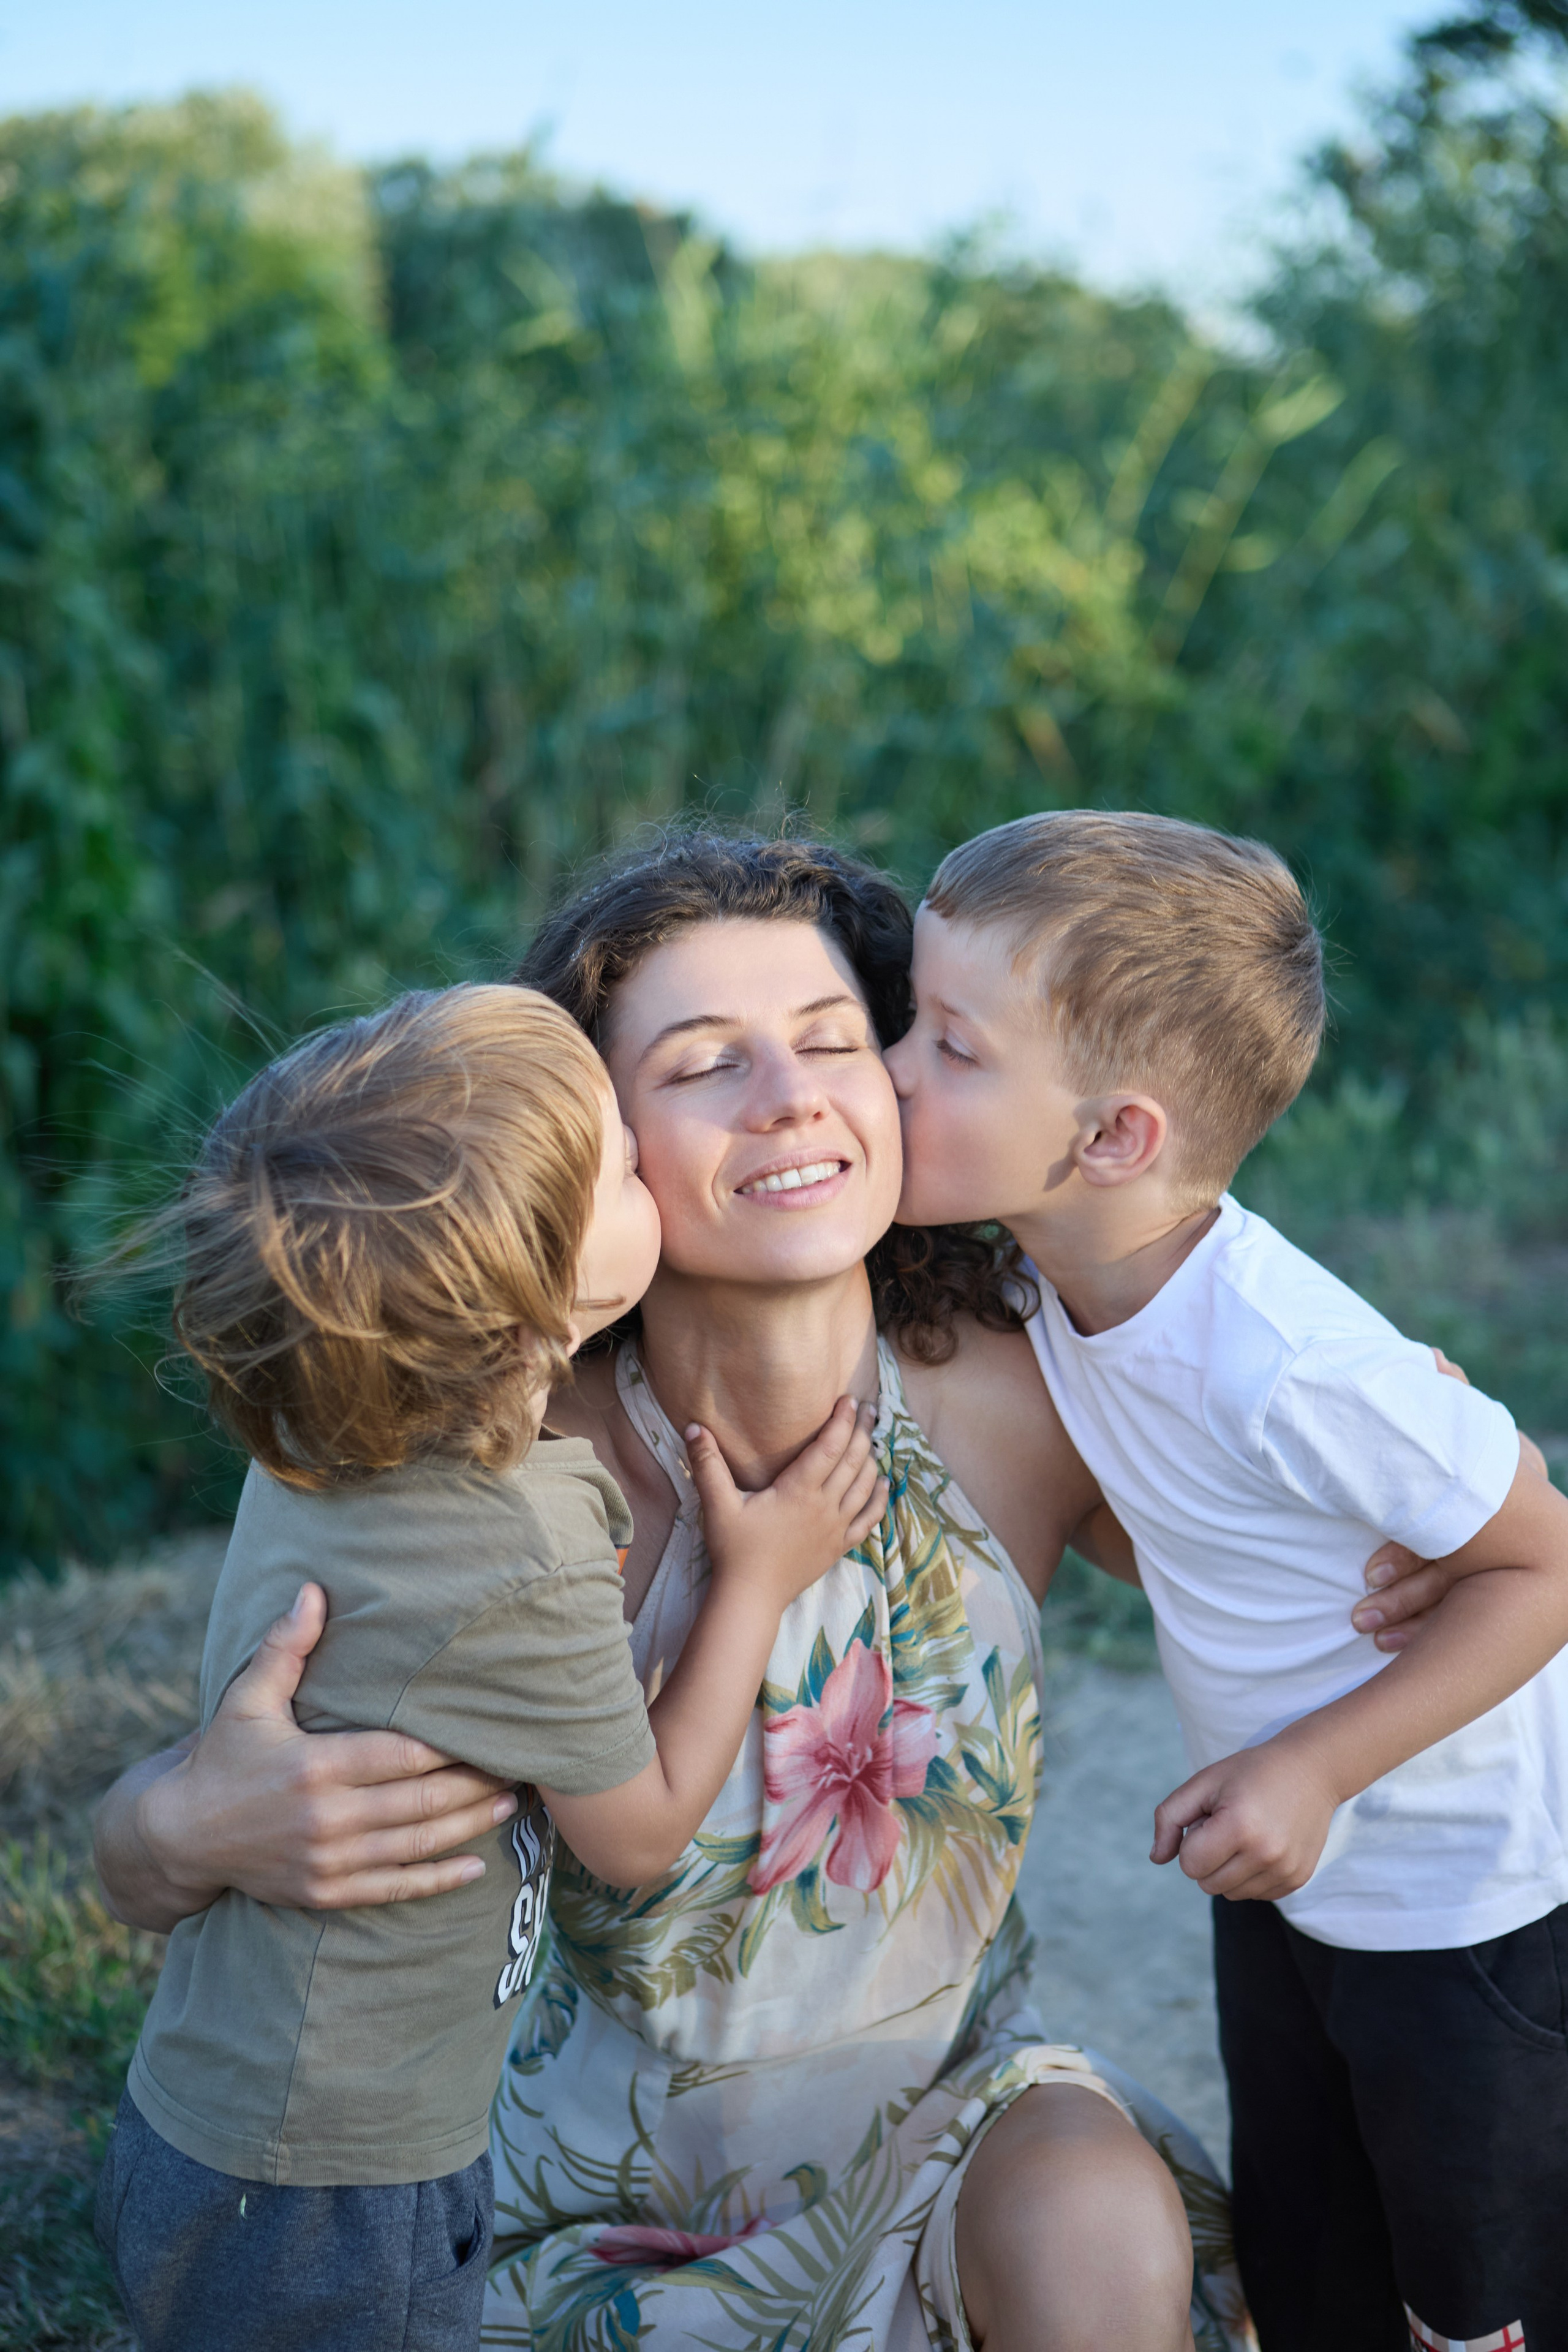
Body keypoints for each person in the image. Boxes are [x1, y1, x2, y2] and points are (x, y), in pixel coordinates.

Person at [93, 833, 1441, 2352]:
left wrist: (1400, 1440)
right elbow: (147, 1876)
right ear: (580, 1147)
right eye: (699, 1065)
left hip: (933, 2148)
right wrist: (173, 1824)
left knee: (1092, 2218)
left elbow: (1342, 1551)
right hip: (513, 2193)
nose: (788, 1095)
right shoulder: (465, 1453)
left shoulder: (1027, 1404)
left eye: (828, 1041)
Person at [94, 981, 884, 2352]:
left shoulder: (315, 1435)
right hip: (342, 2182)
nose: (649, 1161)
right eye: (626, 1169)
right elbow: (632, 1835)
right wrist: (755, 1580)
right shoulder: (513, 1539)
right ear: (529, 1289)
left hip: (198, 2121)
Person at [888, 808, 1568, 2352]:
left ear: (1113, 1136)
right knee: (1304, 2255)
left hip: (1460, 1903)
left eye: (948, 1045)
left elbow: (1544, 1561)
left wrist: (1308, 1768)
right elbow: (1178, 1517)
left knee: (1471, 2300)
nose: (891, 1072)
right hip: (1289, 1871)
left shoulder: (1287, 1359)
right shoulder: (1048, 1277)